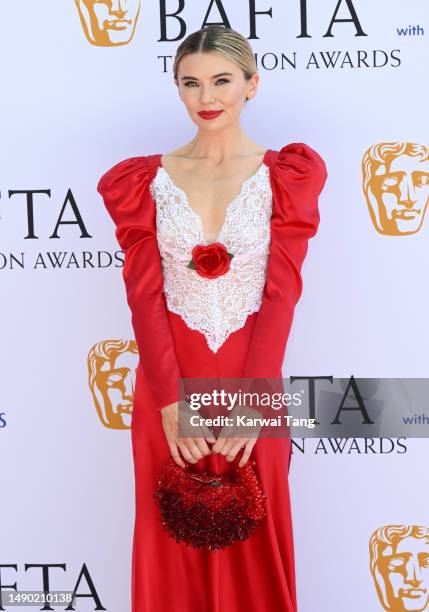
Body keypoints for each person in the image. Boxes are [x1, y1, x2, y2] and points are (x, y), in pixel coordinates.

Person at [97, 24, 328, 612]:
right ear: (176, 88)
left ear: (252, 84)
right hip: (167, 388)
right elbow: (144, 296)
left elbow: (281, 297)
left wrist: (256, 399)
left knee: (257, 524)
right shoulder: (143, 180)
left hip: (254, 382)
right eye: (191, 82)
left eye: (222, 80)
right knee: (171, 531)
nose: (208, 96)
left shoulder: (287, 175)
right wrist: (169, 400)